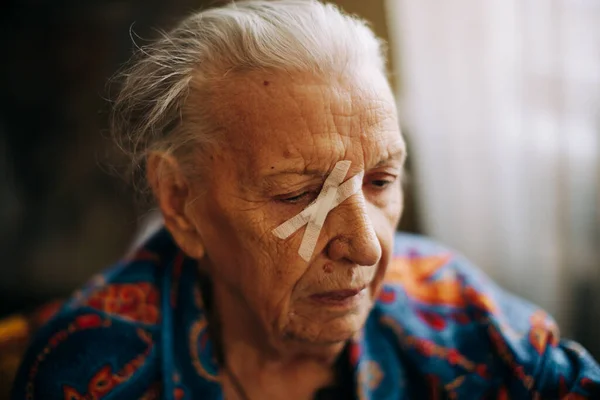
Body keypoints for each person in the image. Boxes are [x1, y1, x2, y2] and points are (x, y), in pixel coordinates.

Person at [11, 1, 600, 399]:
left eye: (382, 181)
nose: (367, 247)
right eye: (298, 194)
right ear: (179, 201)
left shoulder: (459, 316)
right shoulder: (92, 369)